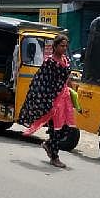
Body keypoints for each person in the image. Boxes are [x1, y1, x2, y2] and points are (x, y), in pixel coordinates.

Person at [17, 35, 74, 168]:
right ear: (55, 46)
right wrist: (46, 99)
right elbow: (41, 81)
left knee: (67, 128)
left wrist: (72, 92)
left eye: (66, 46)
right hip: (53, 99)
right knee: (56, 129)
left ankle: (49, 145)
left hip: (64, 98)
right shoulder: (49, 62)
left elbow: (68, 78)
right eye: (62, 46)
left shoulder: (66, 59)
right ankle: (54, 157)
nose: (64, 48)